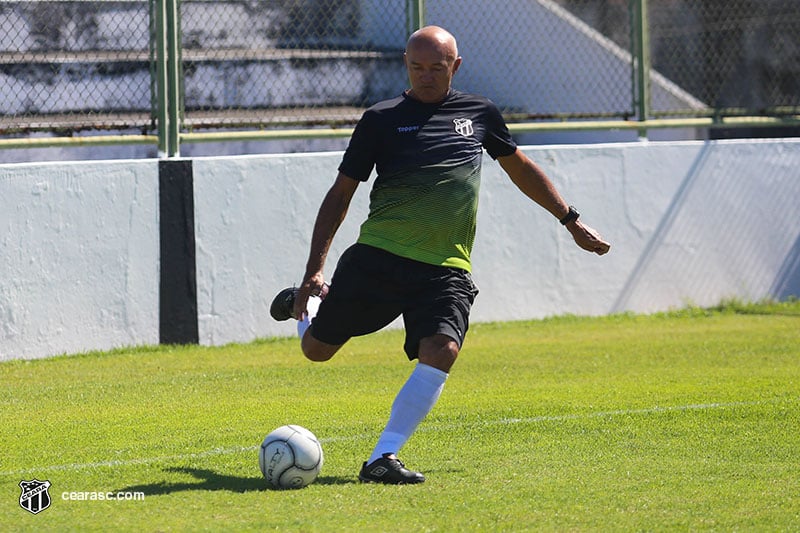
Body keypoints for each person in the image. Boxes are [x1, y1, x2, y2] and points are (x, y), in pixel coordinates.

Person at [270, 25, 611, 484]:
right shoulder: (380, 119)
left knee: (443, 348)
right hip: (379, 257)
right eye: (416, 67)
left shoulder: (481, 114)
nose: (426, 76)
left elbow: (520, 168)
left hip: (446, 267)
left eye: (437, 67)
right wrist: (315, 270)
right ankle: (306, 303)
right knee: (316, 351)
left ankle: (382, 458)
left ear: (456, 65)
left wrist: (570, 220)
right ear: (406, 66)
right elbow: (341, 193)